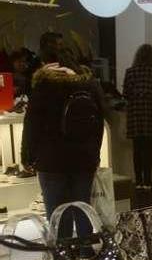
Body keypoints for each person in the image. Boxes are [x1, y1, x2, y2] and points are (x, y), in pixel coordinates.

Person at [23, 43, 106, 239]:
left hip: (51, 160)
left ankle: (63, 256)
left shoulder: (44, 86)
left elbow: (32, 125)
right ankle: (86, 253)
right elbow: (99, 123)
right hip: (84, 158)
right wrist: (95, 154)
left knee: (57, 212)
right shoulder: (89, 85)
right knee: (83, 208)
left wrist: (28, 157)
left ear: (46, 63)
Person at [123, 44, 152, 190]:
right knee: (149, 149)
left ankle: (138, 181)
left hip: (135, 113)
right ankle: (148, 180)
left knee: (137, 148)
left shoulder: (130, 71)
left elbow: (125, 93)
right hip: (150, 113)